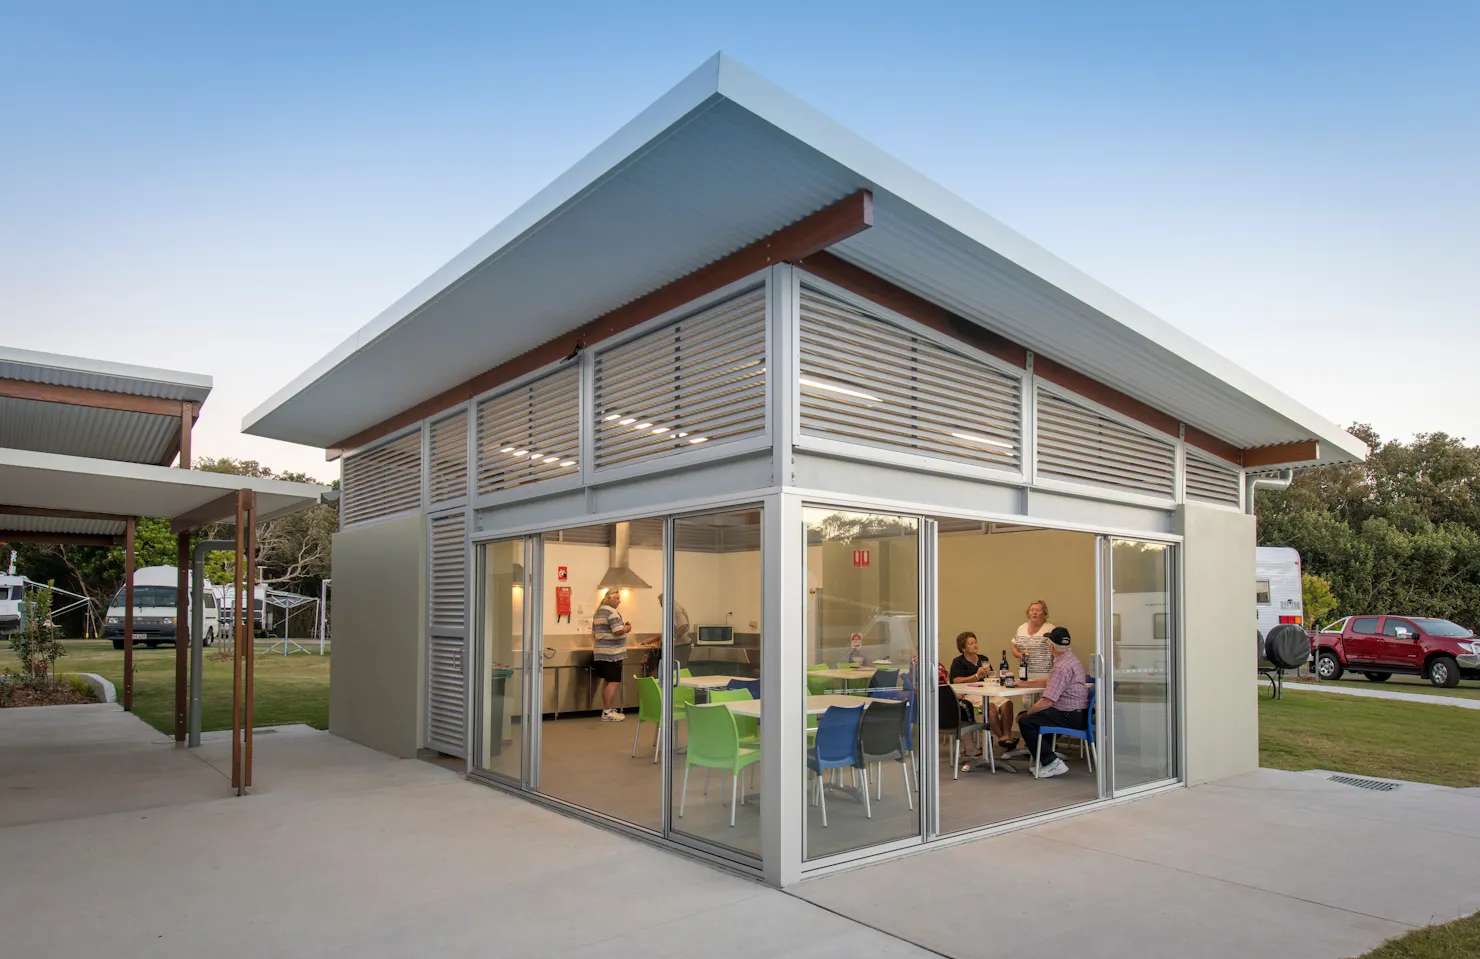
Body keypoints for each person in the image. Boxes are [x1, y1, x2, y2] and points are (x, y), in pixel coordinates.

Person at [1015, 626, 1089, 779]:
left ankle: (1051, 762)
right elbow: (1049, 682)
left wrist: (1028, 712)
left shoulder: (1061, 667)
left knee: (1026, 720)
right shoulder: (1071, 660)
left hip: (1068, 715)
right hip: (1079, 713)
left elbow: (1047, 702)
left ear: (1051, 646)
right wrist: (1023, 684)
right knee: (1038, 717)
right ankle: (1044, 759)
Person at [947, 631, 1017, 755]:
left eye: (975, 642)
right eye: (971, 644)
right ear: (963, 648)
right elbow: (956, 680)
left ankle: (1007, 735)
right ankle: (1003, 739)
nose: (975, 645)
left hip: (987, 692)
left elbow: (991, 676)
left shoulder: (983, 659)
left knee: (1008, 704)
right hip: (970, 695)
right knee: (990, 707)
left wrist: (990, 675)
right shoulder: (958, 662)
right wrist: (976, 675)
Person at [592, 589, 633, 722]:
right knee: (614, 681)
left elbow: (594, 632)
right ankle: (608, 712)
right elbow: (617, 631)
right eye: (617, 598)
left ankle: (607, 710)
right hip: (612, 653)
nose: (619, 601)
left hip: (601, 651)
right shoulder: (611, 612)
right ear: (608, 599)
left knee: (608, 681)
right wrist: (626, 628)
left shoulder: (598, 612)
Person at [1011, 600, 1056, 677]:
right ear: (1028, 613)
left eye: (1038, 610)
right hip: (1024, 674)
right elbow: (1014, 648)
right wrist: (1019, 655)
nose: (1034, 613)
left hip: (1045, 675)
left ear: (1044, 613)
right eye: (1031, 610)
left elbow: (1058, 652)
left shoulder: (1050, 629)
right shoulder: (1022, 628)